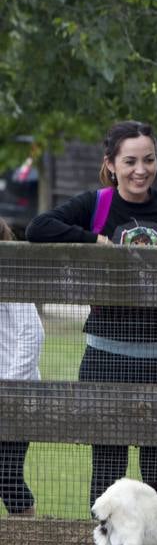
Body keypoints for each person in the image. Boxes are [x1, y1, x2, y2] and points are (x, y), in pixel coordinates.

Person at [26, 120, 157, 505]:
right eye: (129, 161)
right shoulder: (95, 205)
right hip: (107, 356)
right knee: (108, 464)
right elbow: (38, 227)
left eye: (149, 160)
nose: (140, 170)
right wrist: (93, 240)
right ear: (111, 164)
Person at [0, 218, 44, 516]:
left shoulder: (11, 278)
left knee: (7, 476)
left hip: (14, 397)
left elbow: (32, 335)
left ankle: (28, 544)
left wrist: (9, 389)